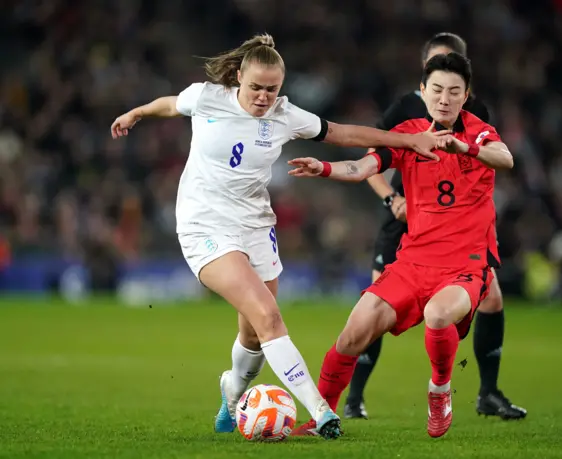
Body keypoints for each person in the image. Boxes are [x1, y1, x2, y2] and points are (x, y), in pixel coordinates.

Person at [110, 34, 442, 440]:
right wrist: (137, 113)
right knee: (268, 317)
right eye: (256, 87)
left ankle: (232, 392)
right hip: (204, 226)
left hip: (255, 225)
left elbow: (344, 134)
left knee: (252, 333)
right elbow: (170, 104)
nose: (264, 96)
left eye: (272, 89)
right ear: (237, 78)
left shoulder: (285, 115)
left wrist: (408, 140)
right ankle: (320, 412)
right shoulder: (207, 97)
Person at [288, 52, 513, 438]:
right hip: (411, 263)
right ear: (423, 91)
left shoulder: (478, 133)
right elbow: (362, 168)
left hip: (463, 265)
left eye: (454, 92)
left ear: (466, 95)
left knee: (439, 316)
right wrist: (323, 168)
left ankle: (440, 390)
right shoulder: (410, 135)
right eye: (437, 89)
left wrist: (466, 150)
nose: (444, 98)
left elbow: (505, 159)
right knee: (352, 333)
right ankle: (319, 419)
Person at [345, 32, 527, 421]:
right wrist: (392, 200)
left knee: (491, 297)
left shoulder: (475, 114)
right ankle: (354, 397)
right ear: (424, 75)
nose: (445, 92)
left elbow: (487, 165)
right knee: (376, 305)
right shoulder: (405, 108)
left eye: (453, 72)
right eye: (436, 68)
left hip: (458, 229)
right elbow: (372, 156)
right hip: (406, 217)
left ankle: (487, 392)